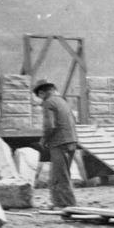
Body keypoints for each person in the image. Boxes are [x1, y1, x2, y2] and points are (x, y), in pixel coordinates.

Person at [33, 79, 78, 208]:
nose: (40, 99)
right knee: (59, 174)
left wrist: (43, 141)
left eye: (39, 95)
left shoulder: (48, 103)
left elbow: (49, 126)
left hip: (60, 142)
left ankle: (69, 205)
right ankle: (58, 202)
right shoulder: (62, 101)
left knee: (61, 175)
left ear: (42, 92)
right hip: (71, 140)